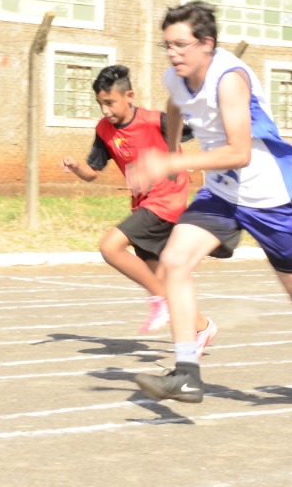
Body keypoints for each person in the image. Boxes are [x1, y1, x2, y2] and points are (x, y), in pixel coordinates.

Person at [127, 2, 292, 404]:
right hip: (223, 194)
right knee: (173, 261)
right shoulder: (177, 76)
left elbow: (239, 152)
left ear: (207, 44)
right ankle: (187, 372)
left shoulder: (230, 79)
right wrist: (172, 149)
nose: (173, 54)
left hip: (269, 196)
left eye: (181, 45)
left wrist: (173, 160)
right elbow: (175, 104)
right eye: (167, 46)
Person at [61, 63, 217, 345]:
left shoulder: (156, 120)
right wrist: (75, 167)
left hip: (167, 201)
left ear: (129, 95)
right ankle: (201, 326)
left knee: (110, 246)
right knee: (164, 278)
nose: (105, 109)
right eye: (100, 103)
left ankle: (159, 302)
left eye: (110, 102)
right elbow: (92, 173)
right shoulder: (104, 130)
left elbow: (195, 130)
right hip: (144, 205)